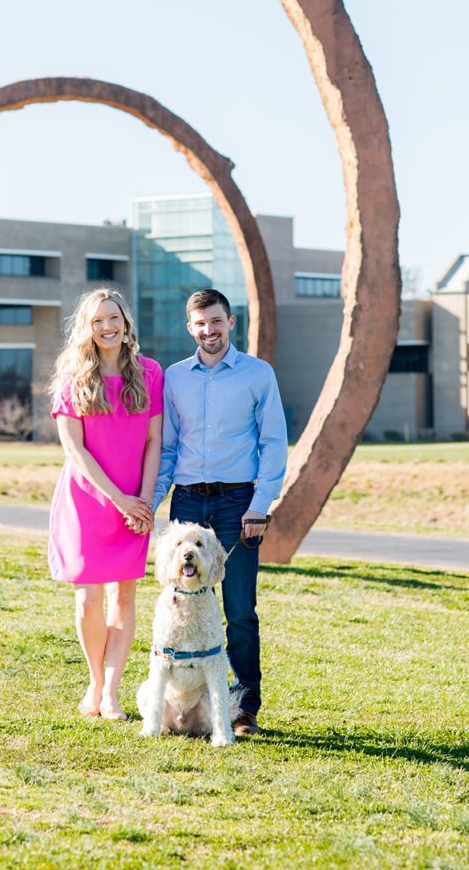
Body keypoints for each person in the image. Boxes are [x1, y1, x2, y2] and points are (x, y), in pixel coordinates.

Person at [150, 288, 288, 736]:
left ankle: (243, 708)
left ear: (231, 322)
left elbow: (272, 443)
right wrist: (151, 503)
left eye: (216, 321)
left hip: (237, 504)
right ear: (189, 327)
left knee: (240, 607)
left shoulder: (257, 374)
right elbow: (169, 447)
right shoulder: (175, 378)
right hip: (188, 501)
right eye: (200, 323)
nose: (208, 330)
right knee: (180, 601)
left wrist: (258, 506)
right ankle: (180, 703)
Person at [48, 288, 161, 721]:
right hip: (87, 502)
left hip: (137, 499)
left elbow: (155, 441)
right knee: (87, 601)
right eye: (97, 321)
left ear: (126, 322)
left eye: (113, 317)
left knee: (125, 598)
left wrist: (144, 501)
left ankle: (111, 693)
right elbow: (75, 451)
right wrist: (119, 501)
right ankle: (95, 681)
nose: (107, 326)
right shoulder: (72, 378)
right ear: (87, 328)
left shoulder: (149, 374)